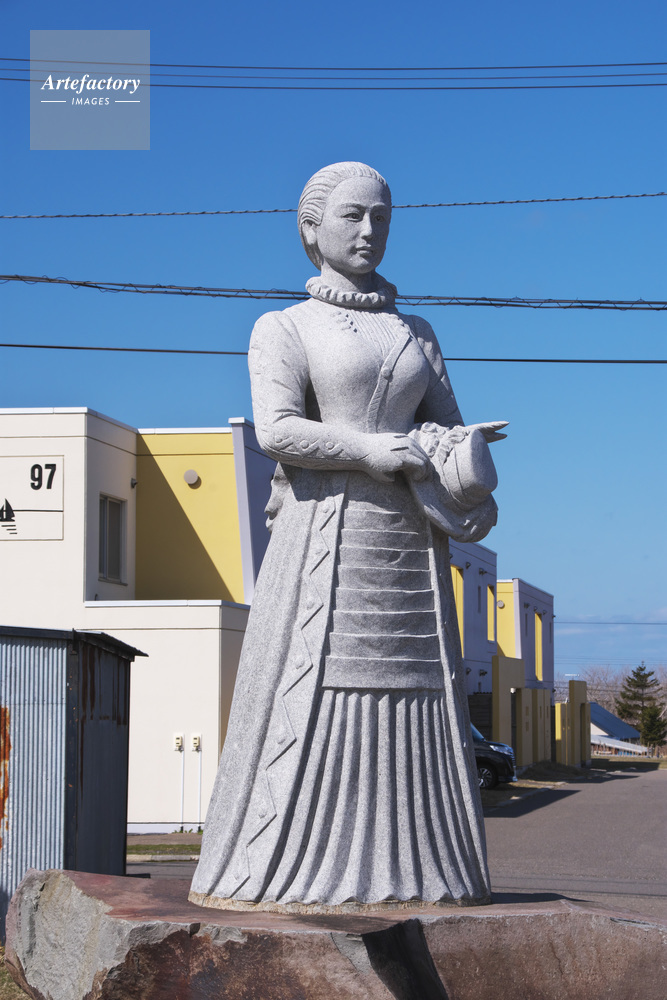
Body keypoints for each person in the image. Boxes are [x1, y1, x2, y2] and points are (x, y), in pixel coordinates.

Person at [190, 161, 505, 912]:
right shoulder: (284, 327)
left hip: (408, 547)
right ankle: (284, 867)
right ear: (311, 228)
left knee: (416, 688)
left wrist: (460, 448)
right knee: (314, 689)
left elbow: (445, 425)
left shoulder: (415, 333)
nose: (369, 231)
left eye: (382, 219)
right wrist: (365, 448)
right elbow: (276, 430)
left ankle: (424, 866)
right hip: (324, 540)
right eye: (353, 216)